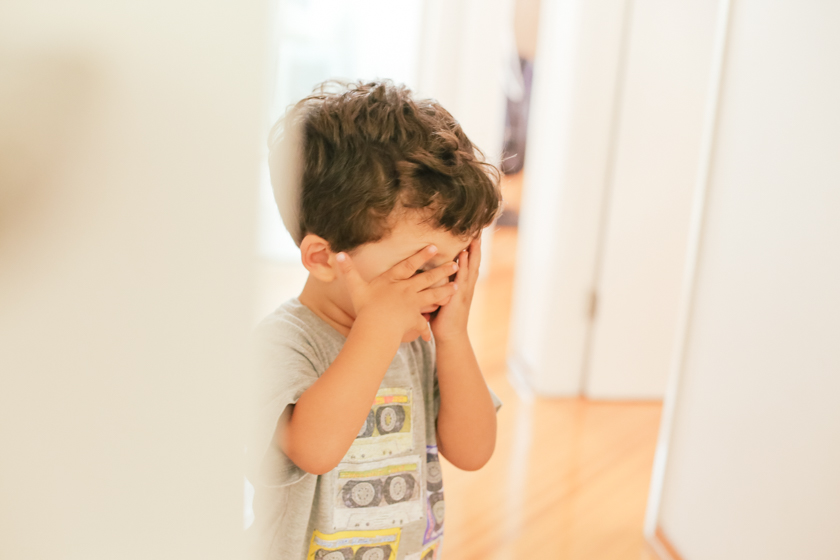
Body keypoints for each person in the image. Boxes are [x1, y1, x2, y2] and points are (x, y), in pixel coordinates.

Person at [248, 80, 503, 560]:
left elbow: (473, 452)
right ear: (324, 258)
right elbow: (314, 450)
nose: (443, 286)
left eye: (456, 263)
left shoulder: (418, 339)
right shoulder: (284, 344)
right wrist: (379, 332)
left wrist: (452, 339)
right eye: (419, 267)